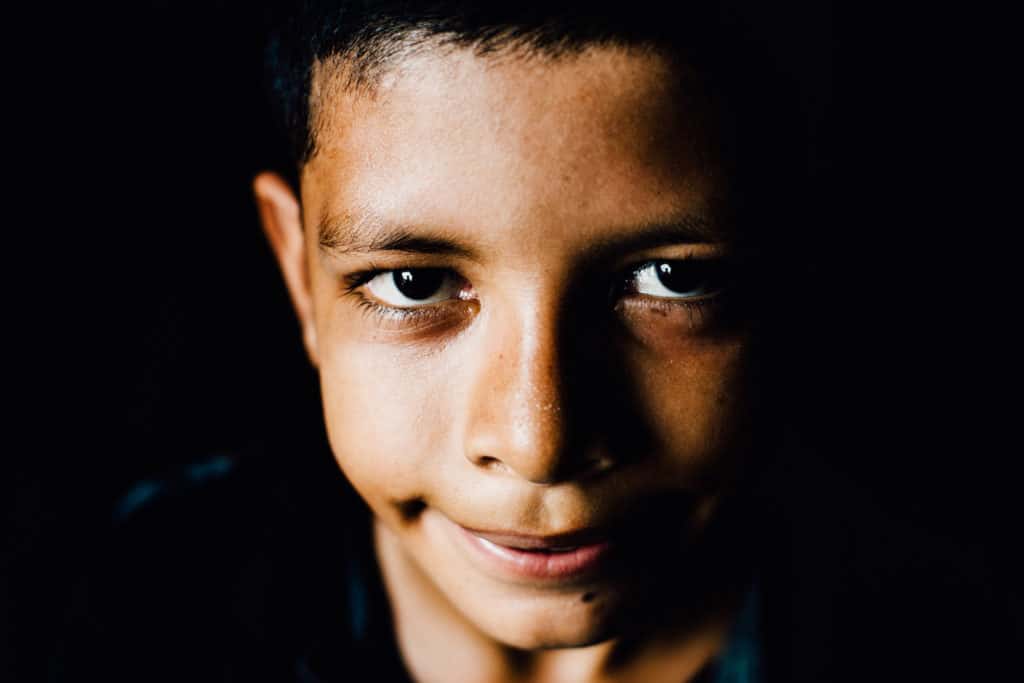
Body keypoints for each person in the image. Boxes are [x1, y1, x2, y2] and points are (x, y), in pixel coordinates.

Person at [50, 2, 1017, 682]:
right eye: (415, 283)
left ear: (798, 261)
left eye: (671, 278)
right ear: (300, 273)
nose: (539, 437)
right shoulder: (138, 606)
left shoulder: (951, 629)